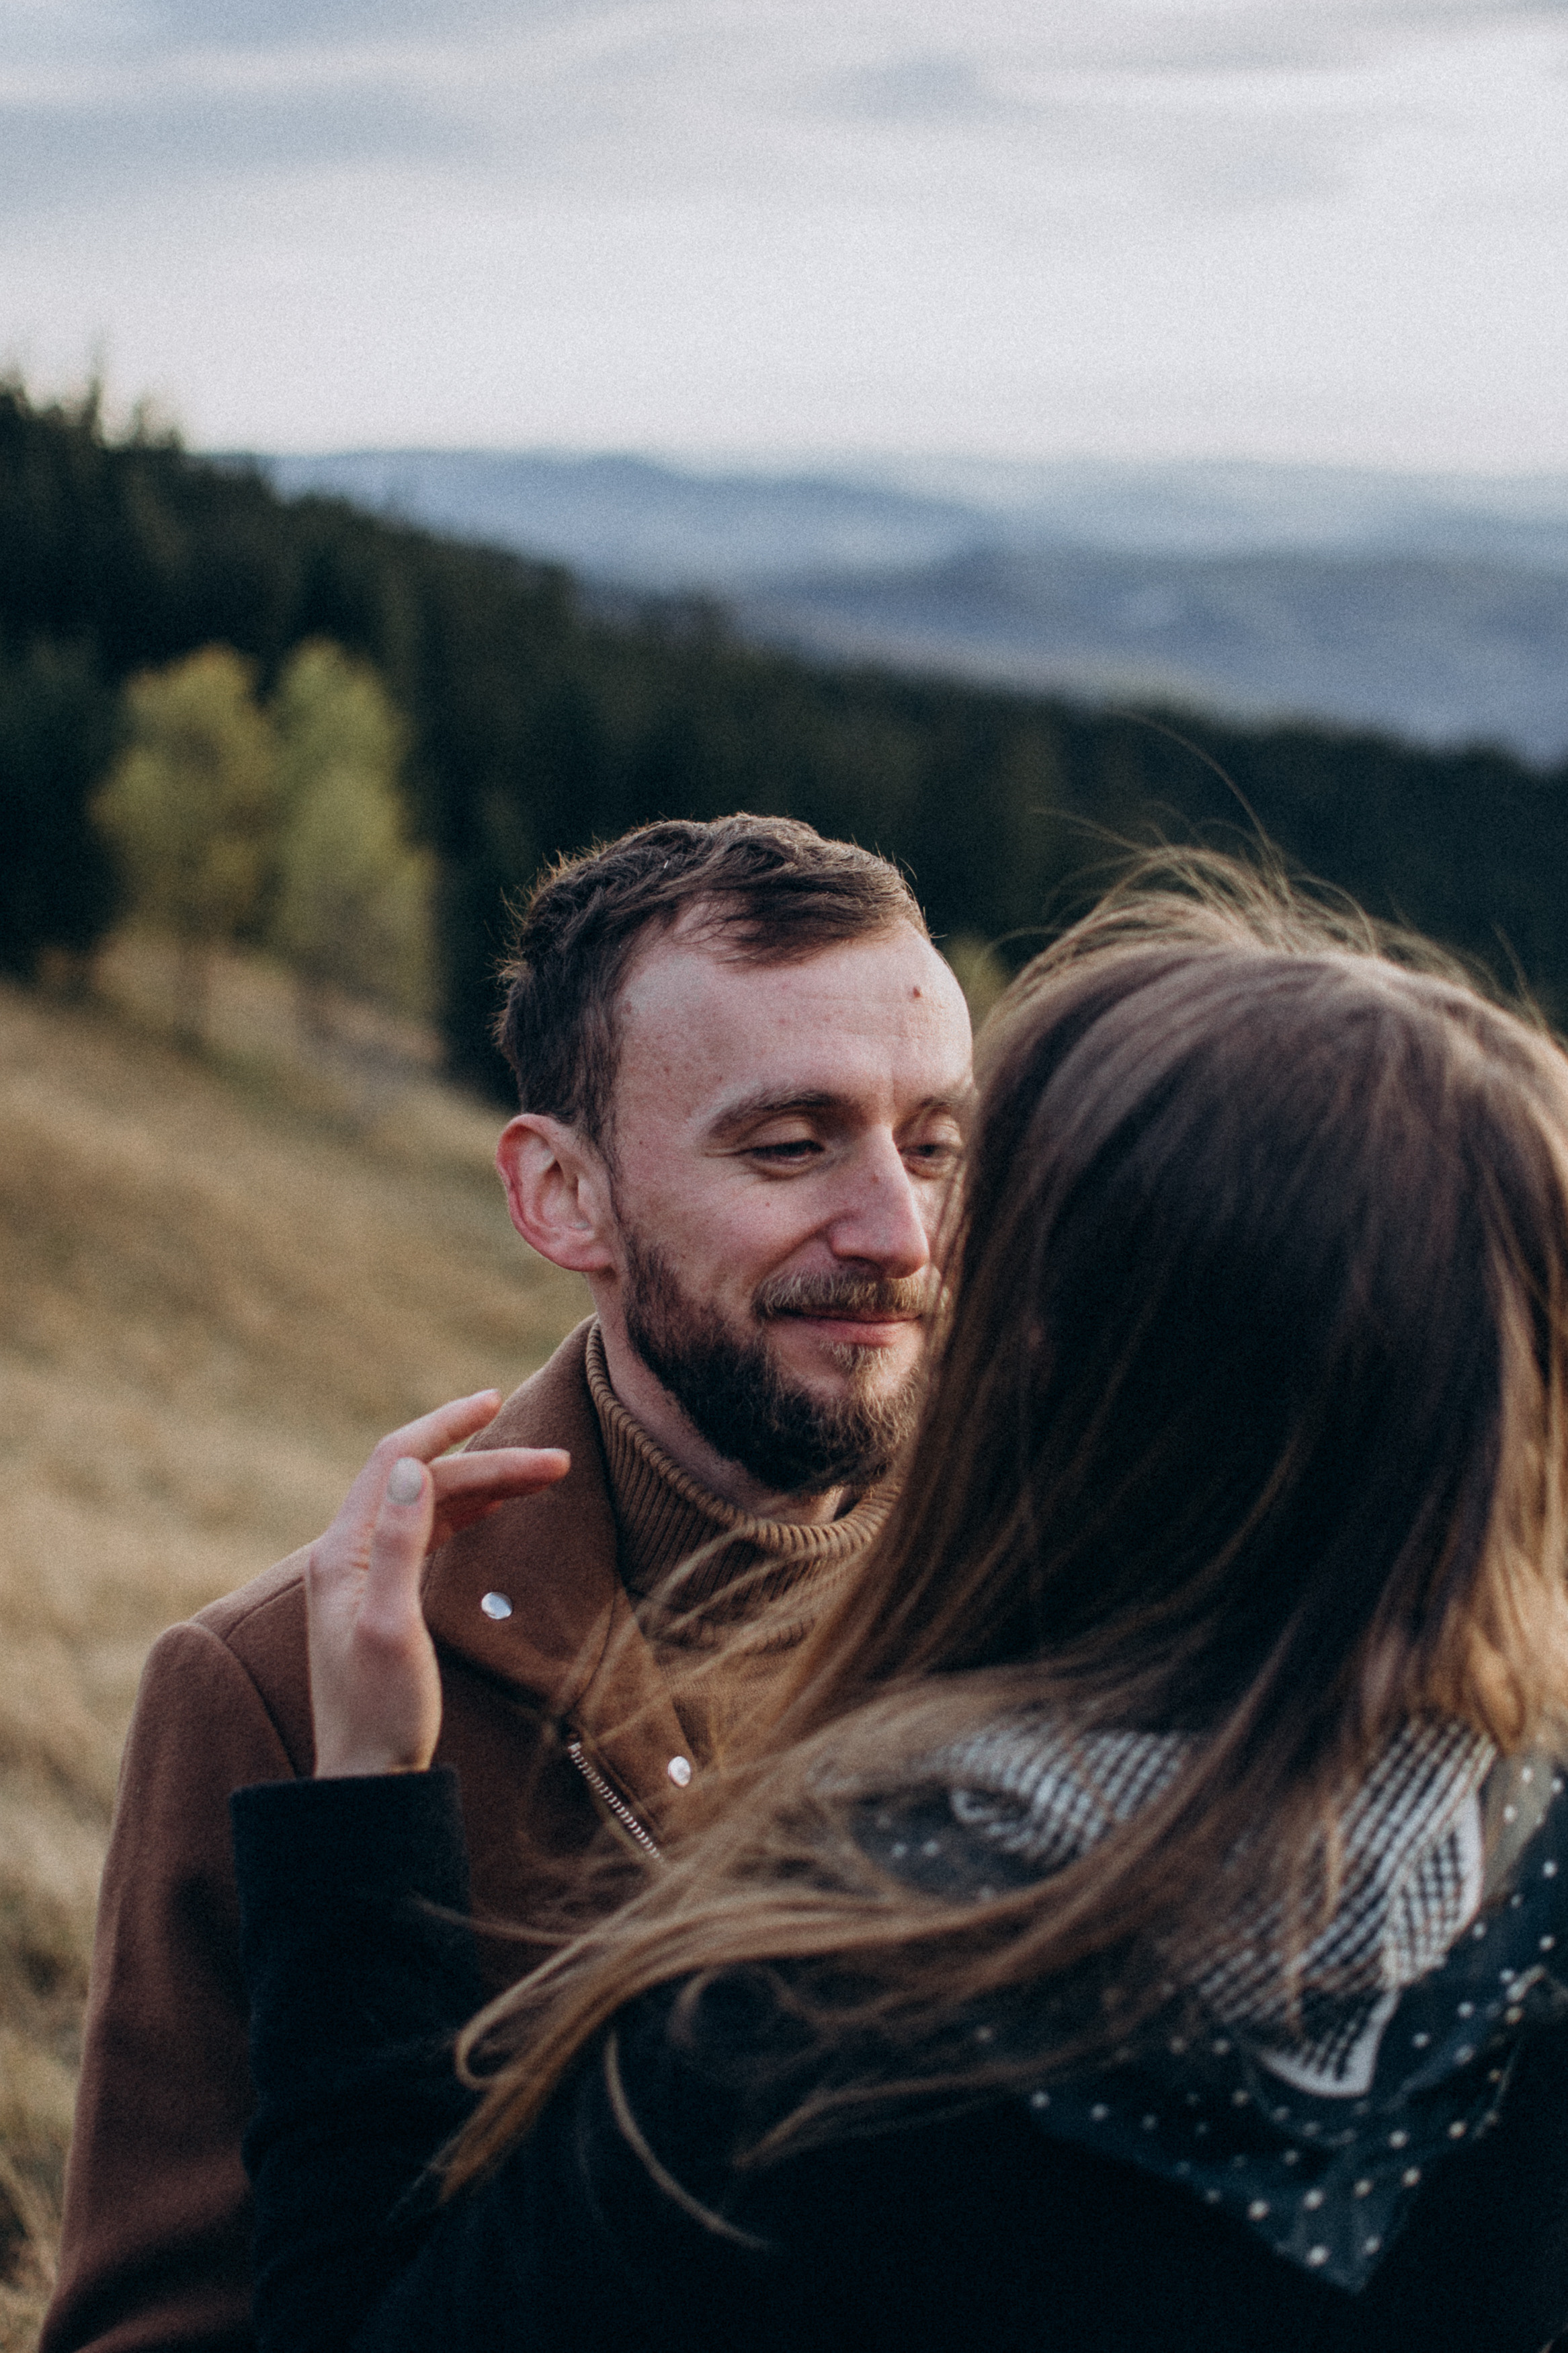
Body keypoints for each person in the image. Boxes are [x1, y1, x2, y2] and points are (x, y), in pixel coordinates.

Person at [235, 865, 1568, 2353]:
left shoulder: (816, 2034)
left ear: (1067, 1371)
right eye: (794, 1144)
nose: (914, 1241)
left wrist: (362, 1826)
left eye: (953, 1168)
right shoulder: (1532, 1904)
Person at [42, 813, 973, 2353]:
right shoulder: (275, 1690)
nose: (900, 1231)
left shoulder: (1071, 1617)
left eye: (933, 1141)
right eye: (790, 1144)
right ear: (564, 1198)